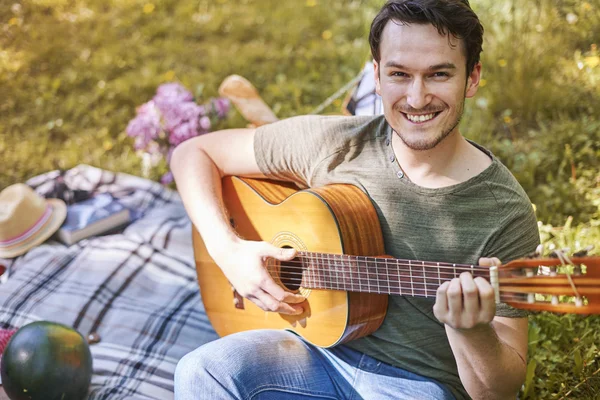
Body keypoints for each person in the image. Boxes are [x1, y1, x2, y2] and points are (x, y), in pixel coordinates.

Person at [171, 0, 540, 398]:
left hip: (418, 385)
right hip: (313, 354)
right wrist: (228, 250)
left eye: (438, 74)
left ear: (471, 78)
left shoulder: (503, 212)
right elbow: (193, 154)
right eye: (400, 74)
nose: (417, 98)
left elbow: (499, 392)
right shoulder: (338, 144)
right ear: (377, 77)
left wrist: (471, 331)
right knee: (202, 372)